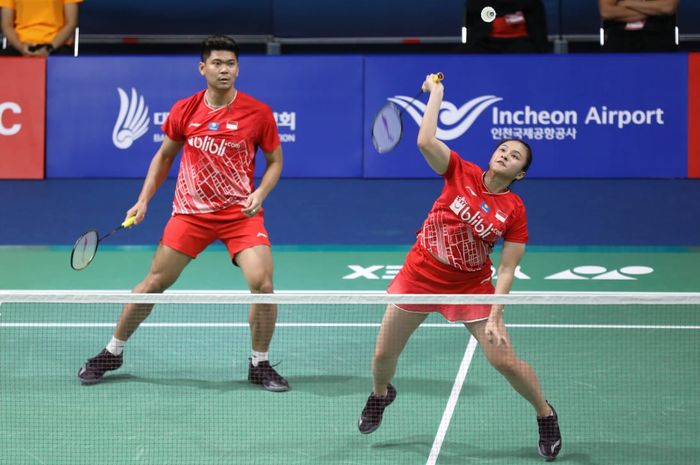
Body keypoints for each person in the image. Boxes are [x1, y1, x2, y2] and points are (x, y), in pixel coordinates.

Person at [357, 74, 562, 461]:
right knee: (383, 356)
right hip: (419, 276)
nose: (505, 154)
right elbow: (424, 140)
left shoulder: (514, 211)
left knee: (503, 359)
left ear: (520, 174)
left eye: (514, 156)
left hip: (469, 287)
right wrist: (437, 94)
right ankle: (381, 395)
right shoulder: (459, 171)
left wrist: (496, 315)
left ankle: (545, 414)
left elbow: (506, 268)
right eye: (502, 148)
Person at [77, 35, 289, 392]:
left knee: (263, 286)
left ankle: (259, 362)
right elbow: (164, 157)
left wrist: (260, 192)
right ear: (202, 68)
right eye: (218, 63)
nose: (225, 70)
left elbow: (274, 162)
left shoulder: (258, 113)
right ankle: (113, 351)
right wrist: (143, 200)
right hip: (190, 214)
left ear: (238, 68)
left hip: (241, 214)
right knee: (154, 283)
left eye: (231, 63)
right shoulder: (185, 110)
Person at [464, 0, 550, 53]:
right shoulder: (476, 2)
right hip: (484, 43)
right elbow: (472, 25)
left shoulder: (531, 3)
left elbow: (539, 35)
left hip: (521, 44)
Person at [0, 0, 81, 56]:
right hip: (21, 45)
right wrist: (21, 47)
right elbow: (6, 25)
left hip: (57, 45)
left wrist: (50, 48)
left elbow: (71, 22)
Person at [599, 0, 680, 52]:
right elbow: (606, 12)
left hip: (659, 37)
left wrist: (628, 3)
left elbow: (668, 7)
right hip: (620, 39)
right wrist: (655, 11)